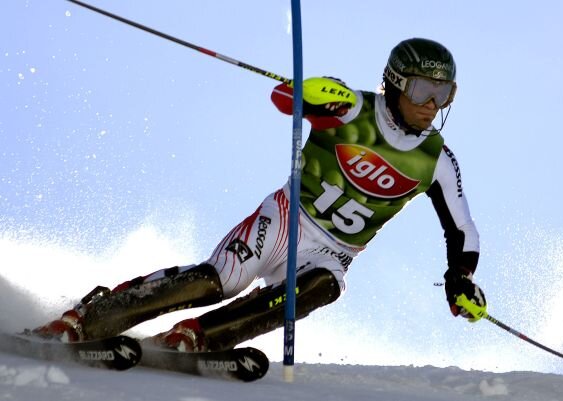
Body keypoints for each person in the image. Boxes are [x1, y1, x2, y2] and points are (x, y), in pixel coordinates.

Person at [34, 38, 487, 352]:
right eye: (424, 89)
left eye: (444, 93)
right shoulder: (352, 107)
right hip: (288, 218)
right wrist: (305, 94)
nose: (432, 104)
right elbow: (283, 99)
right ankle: (90, 319)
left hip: (335, 252)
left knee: (325, 287)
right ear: (395, 82)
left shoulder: (437, 160)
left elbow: (462, 229)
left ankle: (197, 337)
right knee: (219, 281)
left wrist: (460, 279)